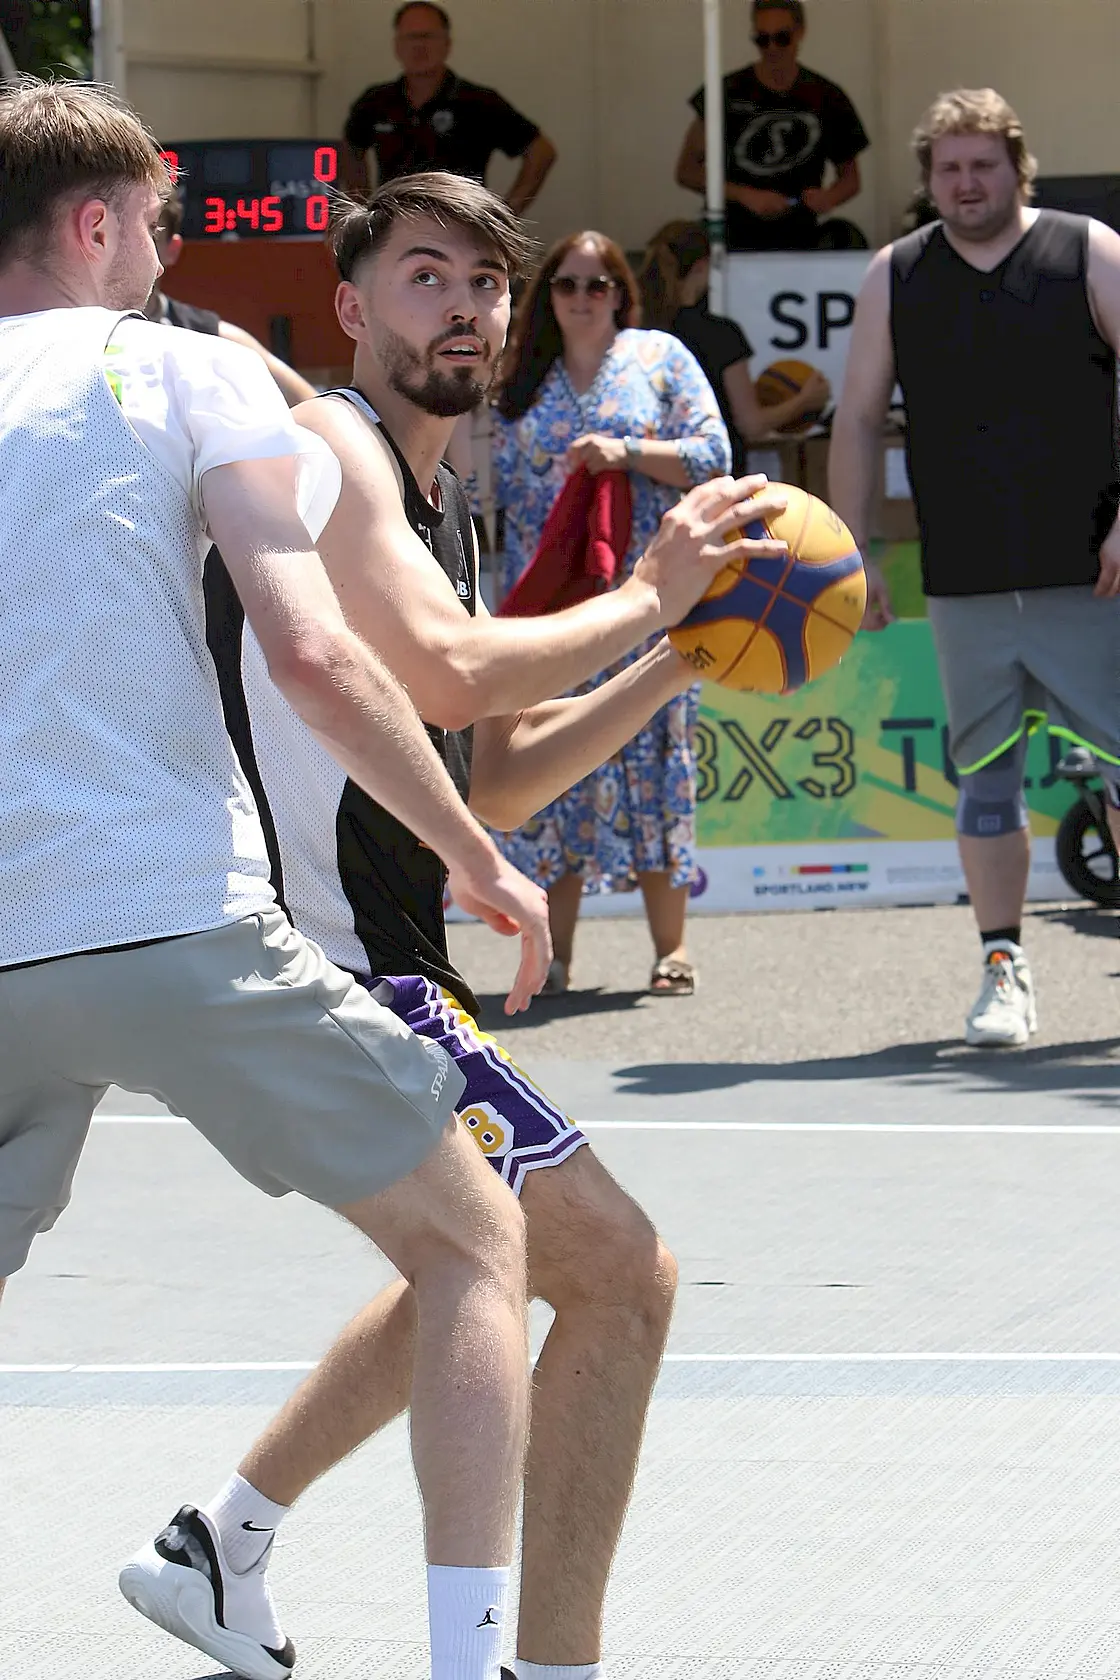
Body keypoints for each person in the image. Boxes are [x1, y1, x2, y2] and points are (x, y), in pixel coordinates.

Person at [120, 171, 787, 1680]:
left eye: (487, 282)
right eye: (426, 277)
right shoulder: (330, 451)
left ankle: (220, 1543)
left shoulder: (444, 510)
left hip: (381, 964)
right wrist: (648, 592)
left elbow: (493, 768)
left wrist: (683, 654)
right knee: (618, 1272)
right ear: (351, 308)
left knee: (473, 1255)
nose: (468, 308)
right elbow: (451, 671)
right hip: (325, 964)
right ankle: (545, 1665)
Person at [0, 74, 561, 1680]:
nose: (167, 256)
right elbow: (312, 655)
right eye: (155, 227)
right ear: (96, 225)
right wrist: (475, 855)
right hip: (164, 913)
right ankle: (468, 1666)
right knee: (475, 1242)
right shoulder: (189, 370)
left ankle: (226, 1562)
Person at [829, 87, 1120, 1049]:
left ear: (1017, 168)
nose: (965, 183)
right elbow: (857, 418)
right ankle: (1004, 969)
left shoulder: (1088, 250)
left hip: (1094, 574)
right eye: (948, 168)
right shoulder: (897, 273)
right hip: (964, 580)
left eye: (982, 165)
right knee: (986, 785)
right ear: (929, 179)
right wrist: (854, 551)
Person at [491, 232, 734, 997]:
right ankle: (554, 956)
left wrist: (626, 451)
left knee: (657, 763)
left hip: (650, 603)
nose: (582, 297)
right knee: (548, 773)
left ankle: (671, 948)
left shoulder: (659, 357)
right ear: (548, 295)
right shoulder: (522, 372)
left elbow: (715, 454)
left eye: (598, 284)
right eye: (567, 284)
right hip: (550, 612)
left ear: (622, 293)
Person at [675, 0, 870, 253]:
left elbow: (850, 179)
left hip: (801, 236)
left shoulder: (827, 97)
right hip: (733, 235)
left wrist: (828, 197)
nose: (772, 48)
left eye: (782, 38)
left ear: (800, 33)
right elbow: (687, 171)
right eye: (762, 39)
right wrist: (744, 195)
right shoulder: (726, 93)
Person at [638, 218, 831, 472]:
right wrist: (804, 400)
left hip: (654, 470)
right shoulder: (721, 335)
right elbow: (751, 425)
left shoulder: (636, 332)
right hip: (714, 476)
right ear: (701, 267)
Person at [342, 2, 556, 214]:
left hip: (460, 225)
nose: (419, 46)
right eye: (410, 37)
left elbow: (541, 152)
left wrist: (506, 214)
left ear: (447, 44)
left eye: (427, 36)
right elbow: (350, 150)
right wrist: (362, 213)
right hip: (394, 223)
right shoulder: (376, 101)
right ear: (397, 46)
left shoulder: (478, 102)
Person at [144, 186, 317, 406]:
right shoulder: (97, 335)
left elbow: (311, 404)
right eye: (124, 234)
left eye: (151, 236)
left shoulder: (215, 338)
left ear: (172, 249)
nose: (135, 248)